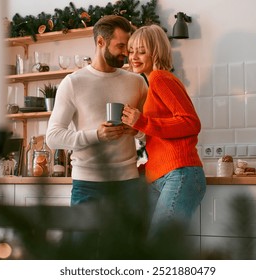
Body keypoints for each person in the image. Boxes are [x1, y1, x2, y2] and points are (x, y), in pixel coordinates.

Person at [46, 15, 148, 208]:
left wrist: (137, 130)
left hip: (128, 184)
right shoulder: (73, 82)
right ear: (100, 42)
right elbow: (53, 137)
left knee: (127, 240)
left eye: (128, 46)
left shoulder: (137, 82)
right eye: (120, 46)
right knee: (81, 240)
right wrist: (97, 135)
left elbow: (151, 132)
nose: (126, 53)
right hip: (87, 185)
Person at [122, 24, 206, 238]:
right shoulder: (153, 82)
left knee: (159, 247)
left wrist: (142, 122)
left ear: (156, 51)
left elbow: (190, 123)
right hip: (163, 176)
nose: (134, 57)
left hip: (179, 173)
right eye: (131, 51)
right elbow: (161, 134)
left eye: (141, 51)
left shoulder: (160, 78)